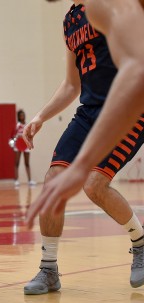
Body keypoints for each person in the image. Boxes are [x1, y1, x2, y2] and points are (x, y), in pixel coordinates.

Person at [23, 1, 144, 295]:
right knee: (52, 182)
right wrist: (41, 116)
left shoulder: (116, 4)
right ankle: (48, 268)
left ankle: (140, 244)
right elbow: (70, 84)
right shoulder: (71, 20)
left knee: (94, 184)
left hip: (128, 108)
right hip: (88, 112)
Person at [11, 109, 36, 187]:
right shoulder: (17, 125)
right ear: (18, 116)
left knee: (27, 163)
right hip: (18, 145)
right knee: (17, 162)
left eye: (23, 115)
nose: (22, 116)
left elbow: (30, 135)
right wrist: (15, 140)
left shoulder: (27, 125)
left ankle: (30, 180)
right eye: (21, 115)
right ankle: (16, 180)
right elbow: (13, 136)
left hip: (26, 145)